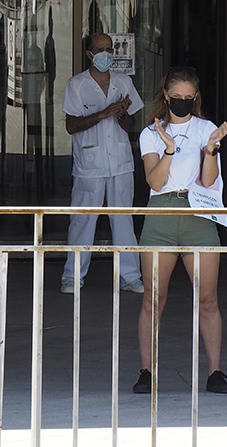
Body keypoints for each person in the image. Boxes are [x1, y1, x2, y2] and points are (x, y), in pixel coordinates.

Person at [133, 66, 227, 394]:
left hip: (198, 214)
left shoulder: (207, 129)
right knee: (153, 299)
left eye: (189, 98)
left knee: (208, 300)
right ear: (166, 96)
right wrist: (170, 148)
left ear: (195, 98)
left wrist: (211, 150)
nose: (183, 103)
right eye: (177, 98)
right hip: (161, 215)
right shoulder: (150, 133)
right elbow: (155, 181)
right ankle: (147, 371)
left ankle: (215, 372)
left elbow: (208, 180)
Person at [60, 33, 144, 293]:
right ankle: (72, 276)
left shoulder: (124, 82)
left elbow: (131, 125)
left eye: (109, 49)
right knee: (83, 220)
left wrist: (120, 115)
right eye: (100, 50)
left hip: (120, 163)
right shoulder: (77, 84)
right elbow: (71, 126)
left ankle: (130, 276)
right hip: (90, 163)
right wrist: (103, 114)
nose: (106, 54)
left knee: (123, 221)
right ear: (89, 54)